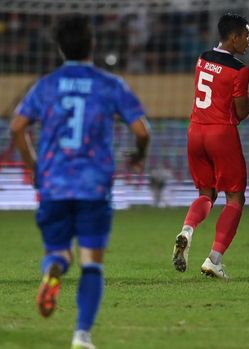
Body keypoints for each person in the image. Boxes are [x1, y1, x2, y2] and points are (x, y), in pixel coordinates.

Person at [9, 14, 150, 349]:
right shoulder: (110, 84)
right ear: (93, 44)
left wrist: (33, 167)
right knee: (91, 264)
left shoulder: (46, 85)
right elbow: (142, 130)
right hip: (93, 186)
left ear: (60, 47)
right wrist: (138, 154)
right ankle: (81, 335)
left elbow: (16, 127)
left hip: (53, 184)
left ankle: (53, 270)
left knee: (59, 252)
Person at [171, 13, 249, 280]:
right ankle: (214, 260)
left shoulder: (203, 58)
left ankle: (187, 230)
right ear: (233, 37)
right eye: (246, 34)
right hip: (221, 134)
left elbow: (225, 96)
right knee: (235, 197)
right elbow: (241, 110)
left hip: (195, 131)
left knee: (206, 194)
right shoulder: (240, 70)